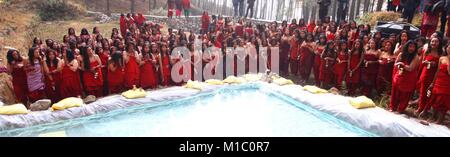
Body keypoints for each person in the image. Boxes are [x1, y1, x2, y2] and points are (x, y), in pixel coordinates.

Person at [422, 43, 450, 124]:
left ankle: (440, 119)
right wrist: (432, 83)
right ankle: (433, 116)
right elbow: (437, 72)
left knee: (443, 101)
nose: (449, 49)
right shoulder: (441, 58)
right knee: (434, 99)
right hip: (438, 81)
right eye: (448, 47)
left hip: (447, 83)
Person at [390, 40, 420, 114]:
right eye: (410, 46)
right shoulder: (401, 54)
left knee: (405, 94)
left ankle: (400, 109)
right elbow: (395, 64)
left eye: (413, 47)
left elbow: (410, 68)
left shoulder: (416, 57)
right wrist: (399, 63)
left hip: (409, 78)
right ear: (407, 47)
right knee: (395, 92)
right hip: (400, 75)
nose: (411, 48)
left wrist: (401, 64)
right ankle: (392, 107)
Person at [416, 37, 443, 115]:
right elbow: (423, 61)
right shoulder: (427, 51)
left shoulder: (440, 54)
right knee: (422, 92)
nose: (434, 43)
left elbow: (439, 67)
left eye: (436, 42)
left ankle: (426, 109)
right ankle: (420, 108)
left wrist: (434, 64)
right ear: (430, 42)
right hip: (425, 74)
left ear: (439, 43)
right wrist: (426, 62)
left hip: (433, 76)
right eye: (432, 41)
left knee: (429, 93)